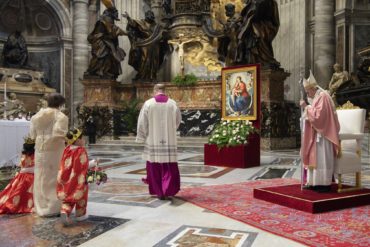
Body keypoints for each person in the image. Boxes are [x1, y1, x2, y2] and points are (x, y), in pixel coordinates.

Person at [136, 84, 182, 200]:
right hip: (169, 140)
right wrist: (171, 130)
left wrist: (143, 136)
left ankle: (158, 191)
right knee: (169, 164)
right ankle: (168, 189)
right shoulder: (172, 104)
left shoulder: (148, 103)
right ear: (164, 91)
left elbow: (142, 122)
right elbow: (178, 121)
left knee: (154, 165)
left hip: (153, 139)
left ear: (155, 91)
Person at [300, 71, 340, 193]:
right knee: (314, 157)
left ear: (313, 88)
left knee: (321, 159)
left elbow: (319, 116)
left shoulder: (323, 96)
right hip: (316, 134)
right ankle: (313, 182)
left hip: (323, 135)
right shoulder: (317, 97)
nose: (308, 94)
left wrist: (306, 107)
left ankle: (323, 184)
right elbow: (314, 114)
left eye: (308, 92)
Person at [29, 93, 68, 216]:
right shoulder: (61, 116)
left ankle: (40, 206)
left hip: (40, 148)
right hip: (54, 149)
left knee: (40, 175)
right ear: (61, 104)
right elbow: (57, 133)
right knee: (53, 175)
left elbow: (32, 135)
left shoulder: (37, 116)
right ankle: (52, 207)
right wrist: (68, 138)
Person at [56, 128, 97, 226]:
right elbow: (83, 165)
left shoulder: (67, 149)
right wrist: (93, 163)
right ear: (78, 140)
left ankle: (65, 211)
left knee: (68, 197)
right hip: (78, 179)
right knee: (81, 196)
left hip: (66, 179)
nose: (83, 140)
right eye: (82, 138)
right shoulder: (80, 150)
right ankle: (80, 215)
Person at [124, 10, 169, 82]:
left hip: (155, 46)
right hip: (144, 45)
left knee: (154, 62)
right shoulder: (141, 23)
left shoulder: (156, 26)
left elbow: (162, 33)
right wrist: (128, 18)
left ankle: (152, 76)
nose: (151, 16)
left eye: (152, 15)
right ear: (146, 16)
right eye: (149, 15)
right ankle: (142, 75)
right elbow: (133, 24)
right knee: (144, 60)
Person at [86, 3, 127, 79]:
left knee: (110, 57)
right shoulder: (104, 21)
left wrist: (126, 33)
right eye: (116, 13)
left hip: (107, 43)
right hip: (101, 42)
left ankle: (105, 71)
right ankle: (96, 71)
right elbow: (111, 30)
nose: (117, 14)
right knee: (102, 56)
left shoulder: (109, 21)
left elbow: (115, 29)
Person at [237, 0, 280, 68]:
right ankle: (245, 60)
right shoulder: (251, 3)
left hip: (263, 26)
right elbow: (244, 16)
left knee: (259, 36)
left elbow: (272, 19)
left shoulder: (270, 2)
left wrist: (252, 18)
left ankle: (263, 61)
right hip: (251, 28)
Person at [0, 137, 35, 214]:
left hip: (21, 176)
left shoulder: (23, 154)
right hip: (30, 176)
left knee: (15, 191)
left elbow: (21, 164)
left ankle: (14, 204)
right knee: (26, 193)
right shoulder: (34, 155)